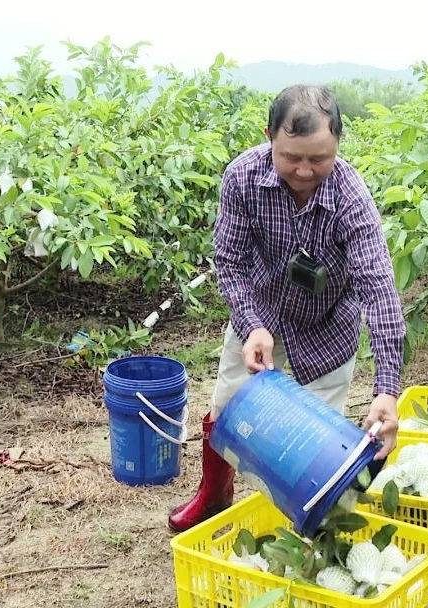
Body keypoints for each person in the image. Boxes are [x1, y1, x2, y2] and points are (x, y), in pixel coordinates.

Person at [168, 84, 406, 532]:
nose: (303, 170)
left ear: (338, 142)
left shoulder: (350, 198)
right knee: (227, 411)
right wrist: (252, 324)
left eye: (319, 159)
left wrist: (387, 390)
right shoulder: (242, 177)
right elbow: (230, 261)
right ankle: (213, 494)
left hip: (327, 325)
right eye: (291, 156)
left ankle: (300, 529)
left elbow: (379, 290)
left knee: (314, 450)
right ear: (269, 136)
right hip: (257, 314)